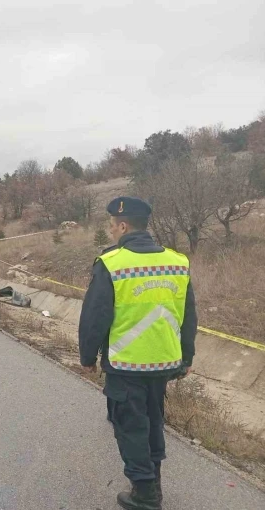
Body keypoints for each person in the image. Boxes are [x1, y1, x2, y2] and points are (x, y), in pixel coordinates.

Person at [79, 196, 197, 510]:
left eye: (112, 226)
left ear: (122, 225)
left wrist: (88, 358)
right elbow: (188, 315)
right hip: (164, 363)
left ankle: (145, 494)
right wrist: (187, 357)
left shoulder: (112, 263)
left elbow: (95, 316)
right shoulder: (177, 261)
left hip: (127, 363)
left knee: (130, 427)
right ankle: (152, 480)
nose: (111, 231)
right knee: (153, 421)